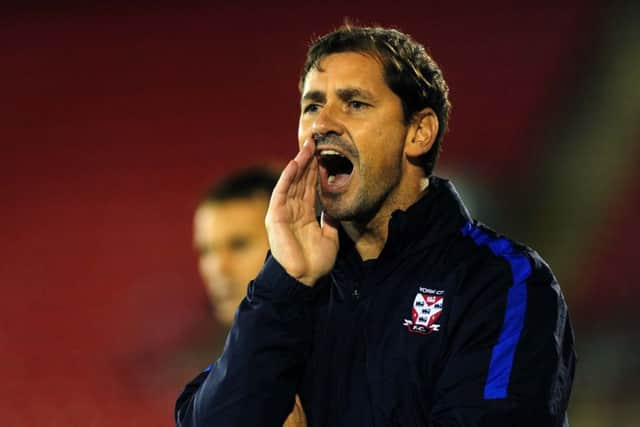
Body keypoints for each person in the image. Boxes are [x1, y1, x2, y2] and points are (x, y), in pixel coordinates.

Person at [176, 25, 576, 426]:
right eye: (312, 106)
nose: (322, 124)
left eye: (354, 104)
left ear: (418, 133)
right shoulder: (295, 293)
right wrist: (285, 281)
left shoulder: (502, 282)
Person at [183, 167, 307, 426]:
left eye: (238, 244)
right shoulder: (224, 375)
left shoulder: (338, 353)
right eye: (206, 251)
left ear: (290, 235)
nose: (217, 268)